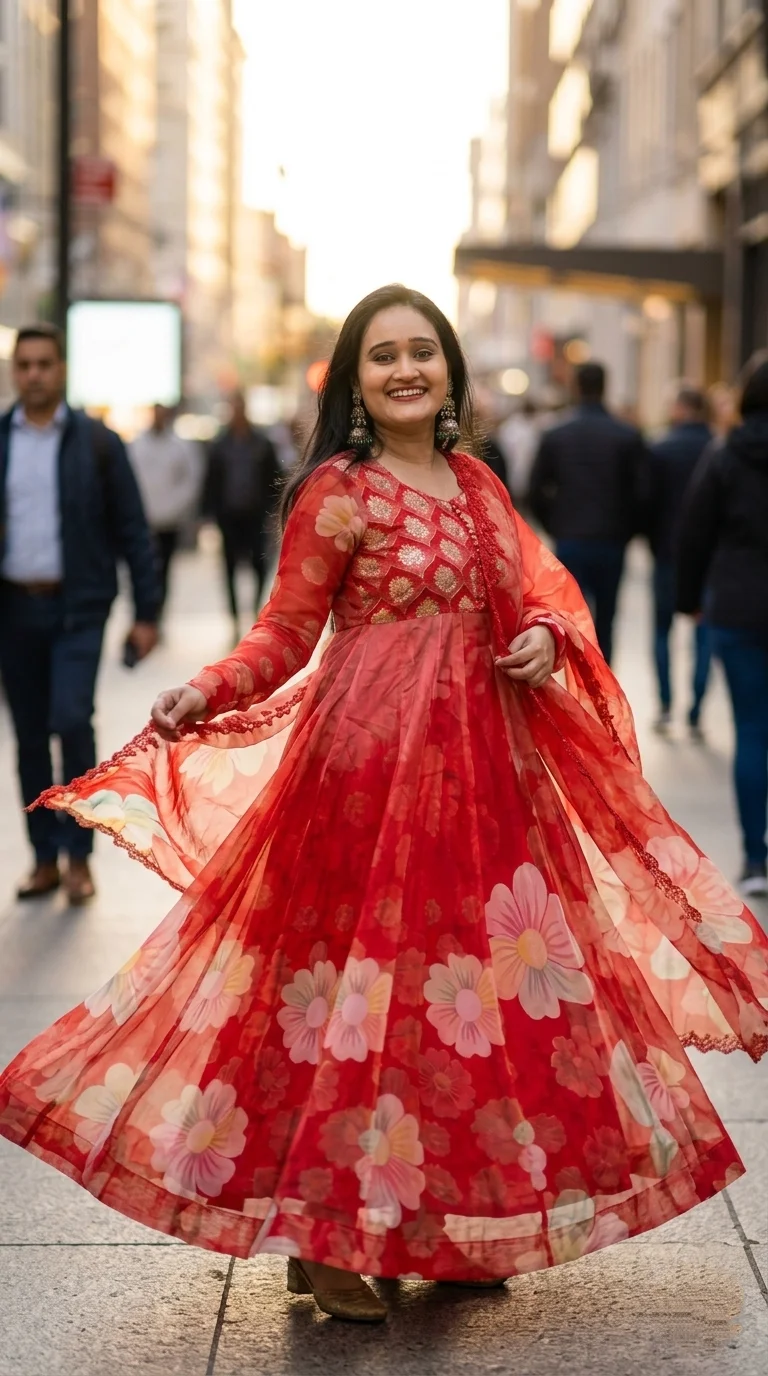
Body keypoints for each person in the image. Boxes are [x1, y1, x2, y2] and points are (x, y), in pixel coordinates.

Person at [1, 287, 767, 1327]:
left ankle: (447, 1227)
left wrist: (542, 636)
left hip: (488, 783)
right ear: (355, 383)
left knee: (467, 1007)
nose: (406, 370)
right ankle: (324, 1238)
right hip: (362, 776)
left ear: (450, 370)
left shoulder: (481, 485)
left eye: (422, 353)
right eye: (382, 357)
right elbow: (283, 633)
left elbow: (543, 593)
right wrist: (207, 689)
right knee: (348, 1006)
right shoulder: (337, 491)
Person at [0, 324, 159, 904]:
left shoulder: (97, 442)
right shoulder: (3, 439)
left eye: (44, 364)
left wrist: (148, 612)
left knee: (70, 719)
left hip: (78, 609)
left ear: (61, 369)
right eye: (25, 365)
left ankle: (79, 858)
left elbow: (133, 529)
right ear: (16, 371)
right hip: (14, 608)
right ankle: (43, 858)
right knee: (28, 736)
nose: (34, 374)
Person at [678, 353, 768, 897]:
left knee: (752, 730)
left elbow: (694, 532)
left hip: (738, 608)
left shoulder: (726, 455)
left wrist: (689, 600)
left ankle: (756, 860)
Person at [527, 362, 649, 664]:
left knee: (570, 616)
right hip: (611, 538)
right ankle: (603, 681)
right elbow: (644, 492)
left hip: (570, 536)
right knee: (606, 617)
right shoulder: (626, 435)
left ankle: (576, 680)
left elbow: (534, 488)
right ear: (604, 386)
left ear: (576, 387)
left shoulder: (556, 434)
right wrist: (628, 528)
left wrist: (554, 524)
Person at [648, 385, 713, 736]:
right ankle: (696, 709)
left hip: (668, 553)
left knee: (662, 630)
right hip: (710, 559)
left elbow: (646, 502)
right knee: (704, 634)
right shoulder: (717, 448)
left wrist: (650, 540)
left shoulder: (661, 448)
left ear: (680, 407)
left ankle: (664, 705)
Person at [204, 391, 282, 635]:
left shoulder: (261, 443)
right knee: (229, 567)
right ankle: (235, 617)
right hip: (228, 517)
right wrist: (209, 514)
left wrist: (274, 510)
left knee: (259, 564)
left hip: (256, 515)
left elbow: (275, 478)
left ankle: (254, 610)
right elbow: (210, 481)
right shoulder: (220, 444)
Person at [129, 404, 203, 616]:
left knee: (164, 569)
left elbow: (191, 480)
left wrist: (176, 507)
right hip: (143, 520)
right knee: (143, 568)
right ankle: (144, 611)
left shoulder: (179, 446)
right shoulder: (138, 446)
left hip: (169, 521)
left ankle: (158, 612)